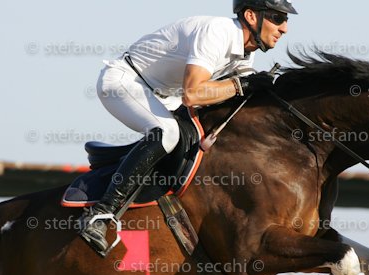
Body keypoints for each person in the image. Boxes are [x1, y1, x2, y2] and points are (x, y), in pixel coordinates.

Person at [80, 0, 297, 255]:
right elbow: (193, 94)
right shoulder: (218, 32)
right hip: (125, 82)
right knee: (168, 133)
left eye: (285, 20)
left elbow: (235, 93)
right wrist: (241, 85)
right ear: (251, 16)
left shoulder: (244, 50)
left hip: (163, 95)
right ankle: (101, 214)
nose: (284, 28)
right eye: (277, 18)